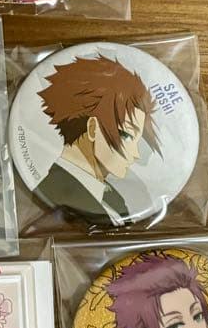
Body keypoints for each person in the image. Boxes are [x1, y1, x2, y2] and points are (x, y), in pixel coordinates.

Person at [36, 55, 157, 224]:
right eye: (126, 135)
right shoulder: (51, 191)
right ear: (92, 128)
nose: (136, 154)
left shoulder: (113, 198)